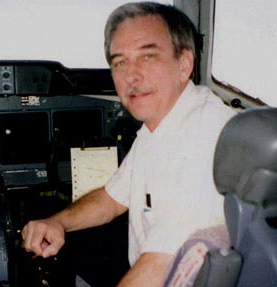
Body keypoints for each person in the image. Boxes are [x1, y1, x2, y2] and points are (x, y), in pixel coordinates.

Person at [22, 2, 237, 286]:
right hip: (148, 255)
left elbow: (159, 264)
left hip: (162, 271)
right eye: (120, 62)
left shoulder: (203, 134)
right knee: (44, 209)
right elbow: (113, 198)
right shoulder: (163, 122)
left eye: (148, 56)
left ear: (184, 64)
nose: (131, 77)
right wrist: (58, 222)